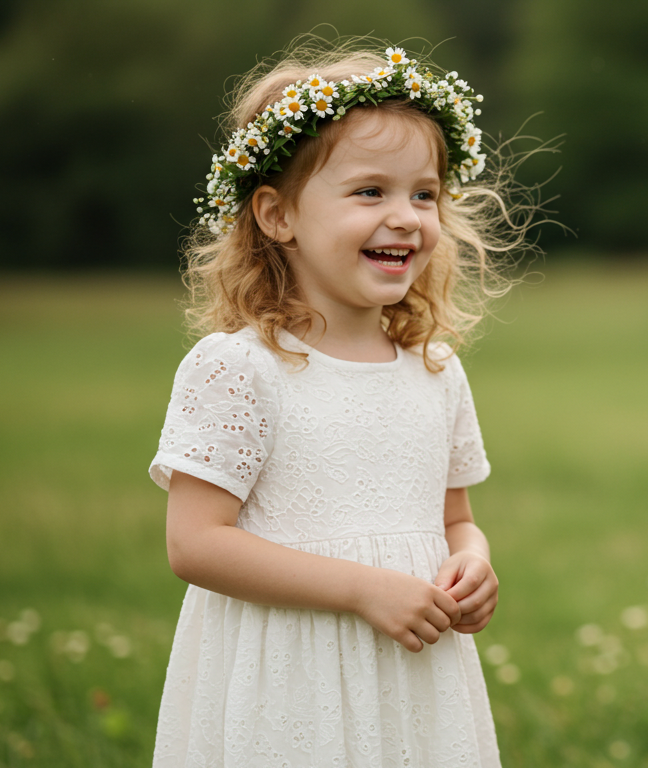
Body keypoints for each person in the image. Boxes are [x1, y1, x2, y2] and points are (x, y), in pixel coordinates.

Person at [148, 38, 522, 766]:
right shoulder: (240, 368)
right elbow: (194, 543)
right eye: (369, 192)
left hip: (412, 671)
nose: (406, 216)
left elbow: (455, 518)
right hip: (289, 677)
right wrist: (360, 590)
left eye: (424, 193)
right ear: (277, 215)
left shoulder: (435, 370)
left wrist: (472, 562)